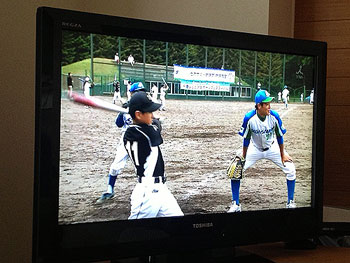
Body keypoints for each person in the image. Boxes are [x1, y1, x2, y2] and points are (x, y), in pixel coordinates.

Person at [228, 89, 296, 213]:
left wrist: (282, 155)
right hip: (254, 148)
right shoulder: (249, 118)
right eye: (267, 104)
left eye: (270, 103)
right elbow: (246, 140)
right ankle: (235, 204)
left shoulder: (274, 116)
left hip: (273, 147)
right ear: (259, 106)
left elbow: (280, 137)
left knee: (291, 169)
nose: (269, 106)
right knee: (236, 170)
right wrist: (243, 157)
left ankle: (290, 202)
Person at [123, 91, 183, 219]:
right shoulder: (135, 133)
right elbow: (155, 132)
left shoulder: (136, 130)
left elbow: (151, 127)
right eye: (149, 112)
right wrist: (156, 122)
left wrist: (150, 120)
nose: (152, 114)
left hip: (162, 189)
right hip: (147, 193)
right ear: (138, 115)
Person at [96, 82, 146, 204]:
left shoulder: (146, 107)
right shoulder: (125, 108)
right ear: (131, 94)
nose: (140, 94)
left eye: (141, 92)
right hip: (126, 138)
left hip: (142, 139)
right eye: (137, 92)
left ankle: (147, 191)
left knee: (144, 167)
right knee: (115, 165)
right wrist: (123, 112)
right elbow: (118, 124)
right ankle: (109, 190)